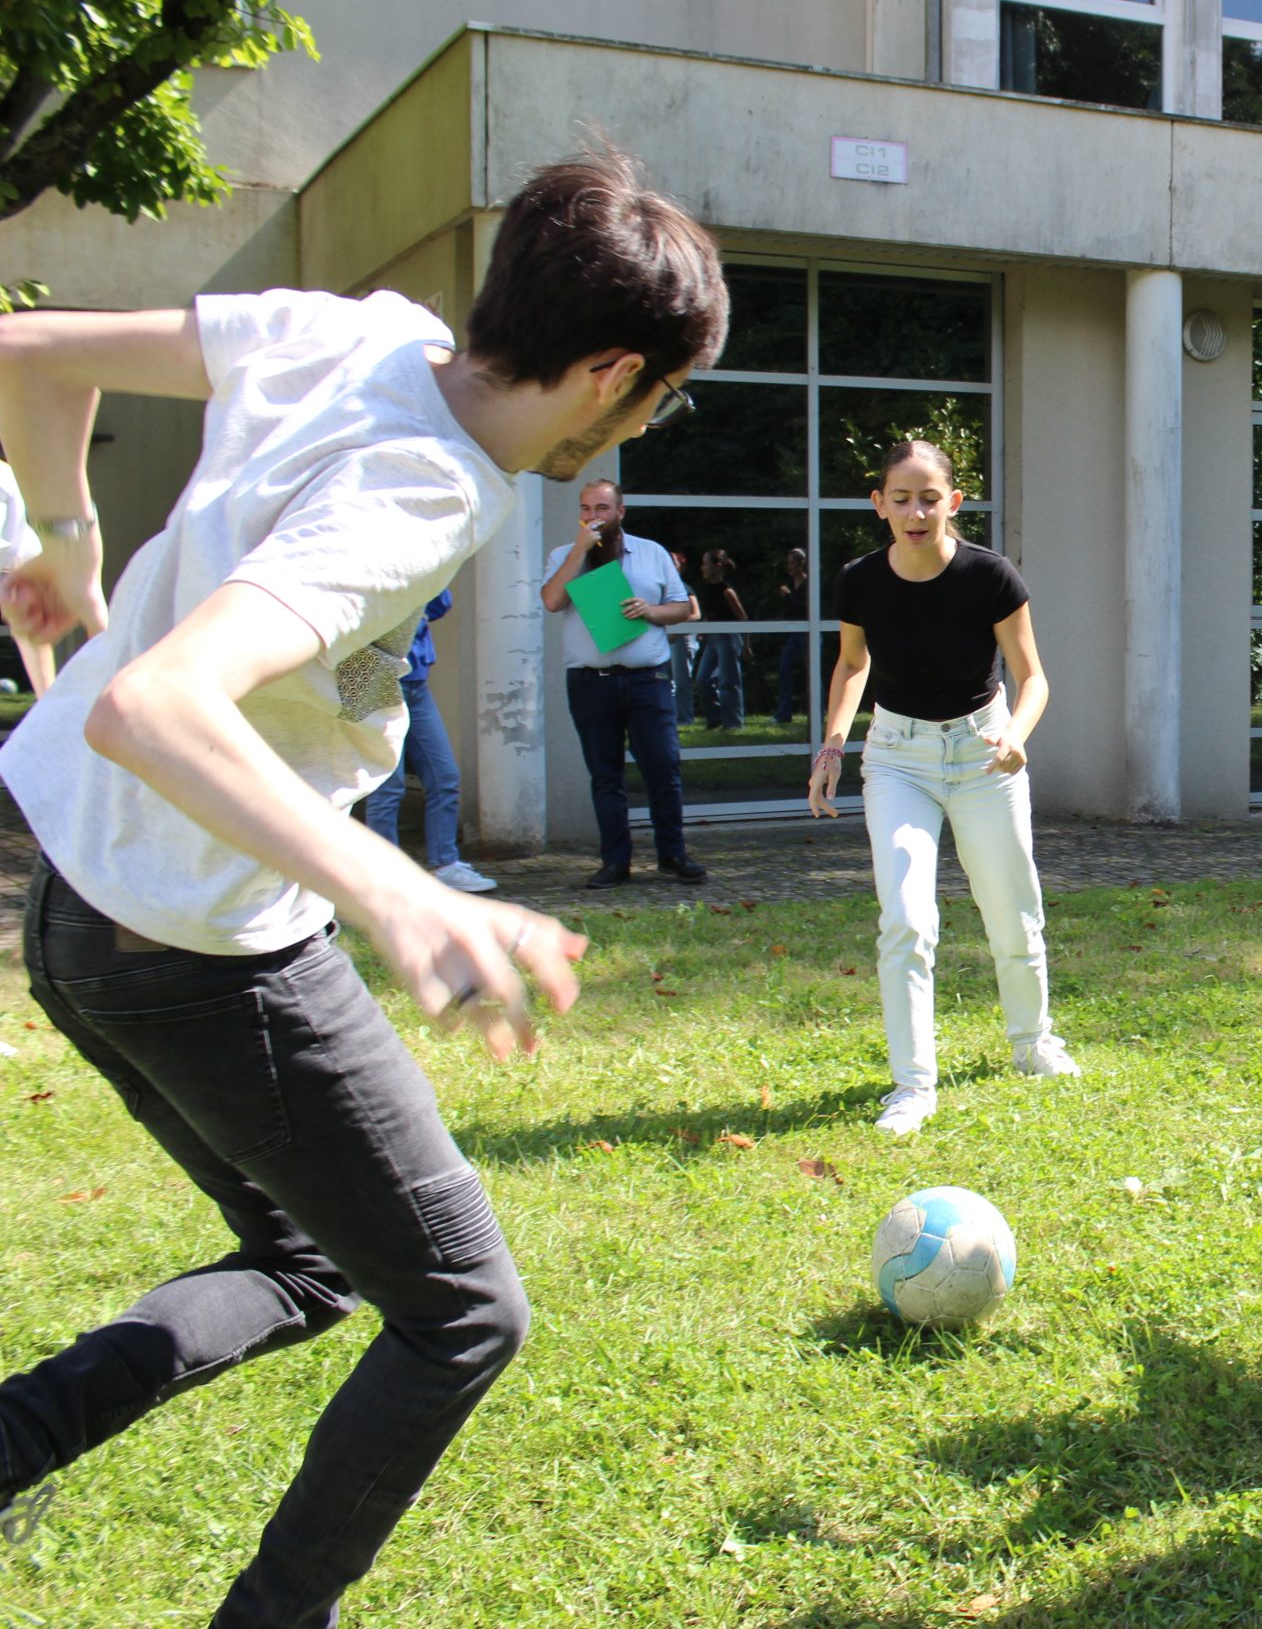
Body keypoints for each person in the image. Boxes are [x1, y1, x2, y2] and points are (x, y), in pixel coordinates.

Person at [0, 147, 726, 1622]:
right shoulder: (424, 486)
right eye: (662, 396)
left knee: (307, 1261)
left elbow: (27, 350)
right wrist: (402, 895)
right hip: (198, 941)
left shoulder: (360, 332)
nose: (647, 421)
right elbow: (155, 703)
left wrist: (66, 532)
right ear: (611, 375)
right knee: (464, 1312)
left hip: (81, 905)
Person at [808, 440, 1078, 1135]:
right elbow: (852, 665)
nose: (916, 512)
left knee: (1012, 909)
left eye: (930, 498)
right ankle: (913, 1087)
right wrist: (833, 743)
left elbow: (1033, 677)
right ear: (880, 505)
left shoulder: (990, 576)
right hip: (898, 758)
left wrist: (1016, 733)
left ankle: (1033, 1042)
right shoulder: (861, 580)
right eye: (901, 499)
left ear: (952, 502)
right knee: (906, 918)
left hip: (985, 753)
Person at [541, 478, 707, 889]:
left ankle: (672, 854)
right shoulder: (564, 555)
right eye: (585, 509)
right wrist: (580, 551)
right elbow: (552, 601)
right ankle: (616, 862)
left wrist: (650, 611)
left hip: (647, 680)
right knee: (605, 775)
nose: (593, 516)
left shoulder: (651, 553)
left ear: (620, 511)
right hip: (590, 682)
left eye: (601, 508)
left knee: (663, 767)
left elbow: (683, 609)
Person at [362, 588, 497, 892]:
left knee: (444, 776)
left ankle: (445, 865)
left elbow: (440, 603)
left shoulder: (417, 571)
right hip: (376, 682)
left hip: (416, 683)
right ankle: (384, 875)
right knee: (388, 784)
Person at [0, 455, 61, 696]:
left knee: (29, 629)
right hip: (14, 564)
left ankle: (48, 699)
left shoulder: (4, 478)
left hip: (16, 565)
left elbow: (11, 543)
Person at [692, 545, 748, 729]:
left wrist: (746, 645)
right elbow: (711, 614)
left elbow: (743, 618)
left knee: (728, 682)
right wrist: (704, 630)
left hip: (729, 638)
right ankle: (714, 719)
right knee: (703, 679)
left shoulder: (727, 591)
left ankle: (733, 723)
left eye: (705, 564)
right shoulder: (709, 588)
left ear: (717, 566)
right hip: (713, 639)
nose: (702, 568)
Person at [773, 545, 809, 723]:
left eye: (792, 563)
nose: (790, 566)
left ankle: (816, 713)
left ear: (802, 563)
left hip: (808, 633)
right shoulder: (790, 584)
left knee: (812, 672)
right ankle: (784, 714)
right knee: (784, 670)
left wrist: (788, 596)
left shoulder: (808, 584)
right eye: (788, 563)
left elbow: (804, 609)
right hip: (794, 633)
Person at [667, 545, 699, 727]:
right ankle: (675, 717)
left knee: (682, 681)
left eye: (673, 562)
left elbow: (696, 614)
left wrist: (675, 625)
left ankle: (685, 719)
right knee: (670, 682)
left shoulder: (684, 588)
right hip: (671, 639)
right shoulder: (667, 589)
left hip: (683, 639)